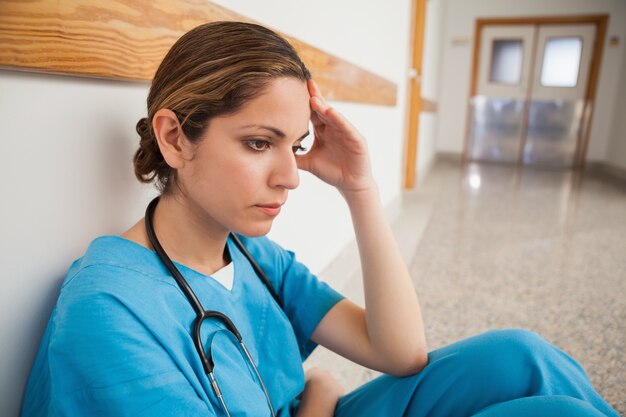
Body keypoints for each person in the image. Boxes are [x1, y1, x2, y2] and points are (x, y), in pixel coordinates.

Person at [21, 21, 618, 417]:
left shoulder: (251, 255)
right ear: (175, 138)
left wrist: (361, 188)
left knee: (520, 354)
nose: (289, 175)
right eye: (259, 143)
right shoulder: (108, 311)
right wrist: (319, 400)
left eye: (296, 144)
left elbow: (400, 352)